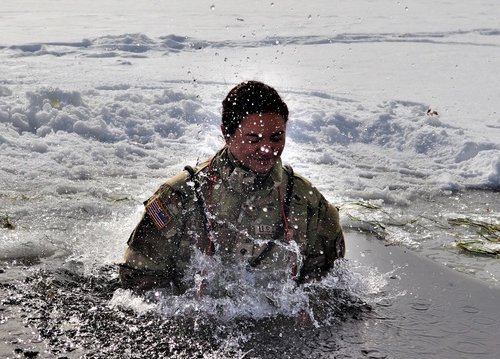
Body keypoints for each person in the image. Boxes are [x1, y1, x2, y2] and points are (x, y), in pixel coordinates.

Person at [120, 80, 345, 294]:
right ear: (227, 133)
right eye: (254, 139)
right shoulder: (182, 195)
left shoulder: (306, 200)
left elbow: (329, 282)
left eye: (276, 137)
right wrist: (183, 320)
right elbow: (137, 278)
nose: (267, 149)